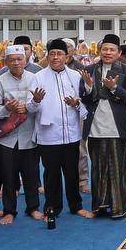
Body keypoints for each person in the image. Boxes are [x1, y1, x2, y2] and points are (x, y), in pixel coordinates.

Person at [79, 34, 126, 219]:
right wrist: (88, 87)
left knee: (118, 169)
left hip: (117, 127)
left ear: (119, 52)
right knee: (98, 168)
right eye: (105, 49)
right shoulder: (89, 70)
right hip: (95, 126)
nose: (108, 53)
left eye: (112, 50)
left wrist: (113, 88)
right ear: (99, 51)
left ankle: (120, 208)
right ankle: (99, 207)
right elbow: (85, 99)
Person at [0, 43, 42, 223]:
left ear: (26, 60)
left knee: (31, 175)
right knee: (8, 176)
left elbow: (34, 107)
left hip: (29, 135)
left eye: (20, 59)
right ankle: (9, 210)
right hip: (7, 139)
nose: (16, 63)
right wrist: (7, 109)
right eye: (12, 60)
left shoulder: (34, 78)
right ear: (5, 62)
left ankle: (33, 208)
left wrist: (36, 102)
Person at [33, 38, 90, 219]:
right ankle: (52, 207)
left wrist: (76, 104)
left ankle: (76, 206)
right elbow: (30, 108)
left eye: (59, 54)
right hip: (49, 135)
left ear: (67, 56)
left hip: (71, 135)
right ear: (47, 56)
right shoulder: (38, 77)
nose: (56, 57)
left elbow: (85, 107)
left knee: (72, 172)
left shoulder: (75, 76)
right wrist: (36, 101)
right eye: (52, 54)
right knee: (51, 174)